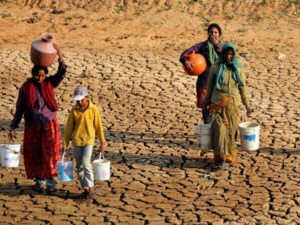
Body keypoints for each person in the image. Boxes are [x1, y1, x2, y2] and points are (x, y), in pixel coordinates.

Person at [9, 44, 66, 192]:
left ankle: (51, 182)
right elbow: (20, 108)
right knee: (34, 152)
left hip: (49, 123)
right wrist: (13, 126)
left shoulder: (49, 83)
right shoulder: (26, 87)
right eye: (37, 76)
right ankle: (39, 181)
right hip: (32, 124)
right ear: (33, 75)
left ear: (46, 76)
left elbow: (61, 73)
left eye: (42, 76)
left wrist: (60, 56)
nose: (40, 78)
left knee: (50, 152)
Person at [204, 43, 251, 170]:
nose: (228, 56)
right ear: (222, 53)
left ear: (234, 55)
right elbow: (210, 86)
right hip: (217, 105)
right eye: (226, 53)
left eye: (231, 54)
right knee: (220, 130)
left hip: (233, 106)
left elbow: (242, 87)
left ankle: (227, 158)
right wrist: (206, 102)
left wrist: (247, 104)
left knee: (230, 133)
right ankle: (219, 158)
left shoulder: (238, 68)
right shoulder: (216, 67)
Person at [63, 86, 106, 199]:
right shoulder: (74, 110)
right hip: (77, 142)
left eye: (82, 99)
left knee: (86, 163)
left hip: (88, 141)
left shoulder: (93, 109)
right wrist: (65, 144)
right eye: (78, 100)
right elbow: (69, 128)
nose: (80, 102)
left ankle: (91, 188)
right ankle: (86, 189)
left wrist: (102, 142)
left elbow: (98, 126)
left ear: (87, 97)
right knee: (80, 166)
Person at [180, 23, 223, 123]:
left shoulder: (223, 47)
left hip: (219, 84)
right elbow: (184, 54)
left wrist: (216, 45)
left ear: (219, 35)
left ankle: (217, 132)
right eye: (211, 32)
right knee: (206, 110)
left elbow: (227, 58)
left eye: (216, 32)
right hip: (204, 83)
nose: (213, 34)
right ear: (208, 34)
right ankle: (208, 132)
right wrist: (185, 61)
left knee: (219, 110)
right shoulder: (202, 46)